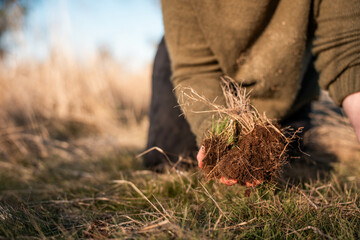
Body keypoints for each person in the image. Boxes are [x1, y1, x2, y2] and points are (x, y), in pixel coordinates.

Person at [144, 0, 360, 185]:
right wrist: (216, 129)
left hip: (288, 76)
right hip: (201, 70)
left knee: (290, 157)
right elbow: (195, 68)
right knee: (170, 161)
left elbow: (346, 49)